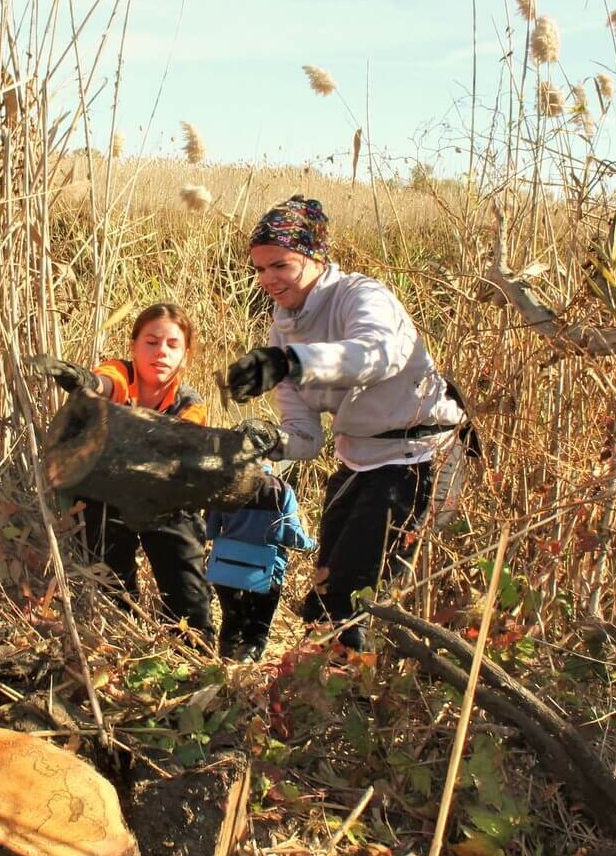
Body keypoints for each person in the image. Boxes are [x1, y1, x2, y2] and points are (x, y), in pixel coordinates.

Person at [224, 195, 473, 650]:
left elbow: (374, 356)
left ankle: (353, 704)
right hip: (358, 462)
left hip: (420, 456)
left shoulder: (362, 296)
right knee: (323, 593)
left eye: (280, 265)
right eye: (259, 269)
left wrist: (289, 361)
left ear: (315, 256)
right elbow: (305, 435)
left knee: (353, 600)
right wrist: (266, 441)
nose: (268, 280)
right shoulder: (283, 327)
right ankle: (316, 696)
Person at [35, 303, 215, 642]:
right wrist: (84, 381)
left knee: (187, 588)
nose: (161, 352)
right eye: (151, 342)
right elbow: (106, 383)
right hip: (106, 495)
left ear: (185, 355)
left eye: (172, 345)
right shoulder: (120, 373)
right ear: (133, 346)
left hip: (163, 498)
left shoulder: (192, 404)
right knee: (111, 585)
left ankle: (193, 648)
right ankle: (120, 639)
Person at [206, 464, 317, 663]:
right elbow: (292, 536)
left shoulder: (223, 486)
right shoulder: (281, 489)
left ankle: (223, 668)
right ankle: (244, 677)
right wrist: (313, 544)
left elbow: (210, 531)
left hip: (225, 569)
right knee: (256, 631)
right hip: (264, 572)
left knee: (231, 622)